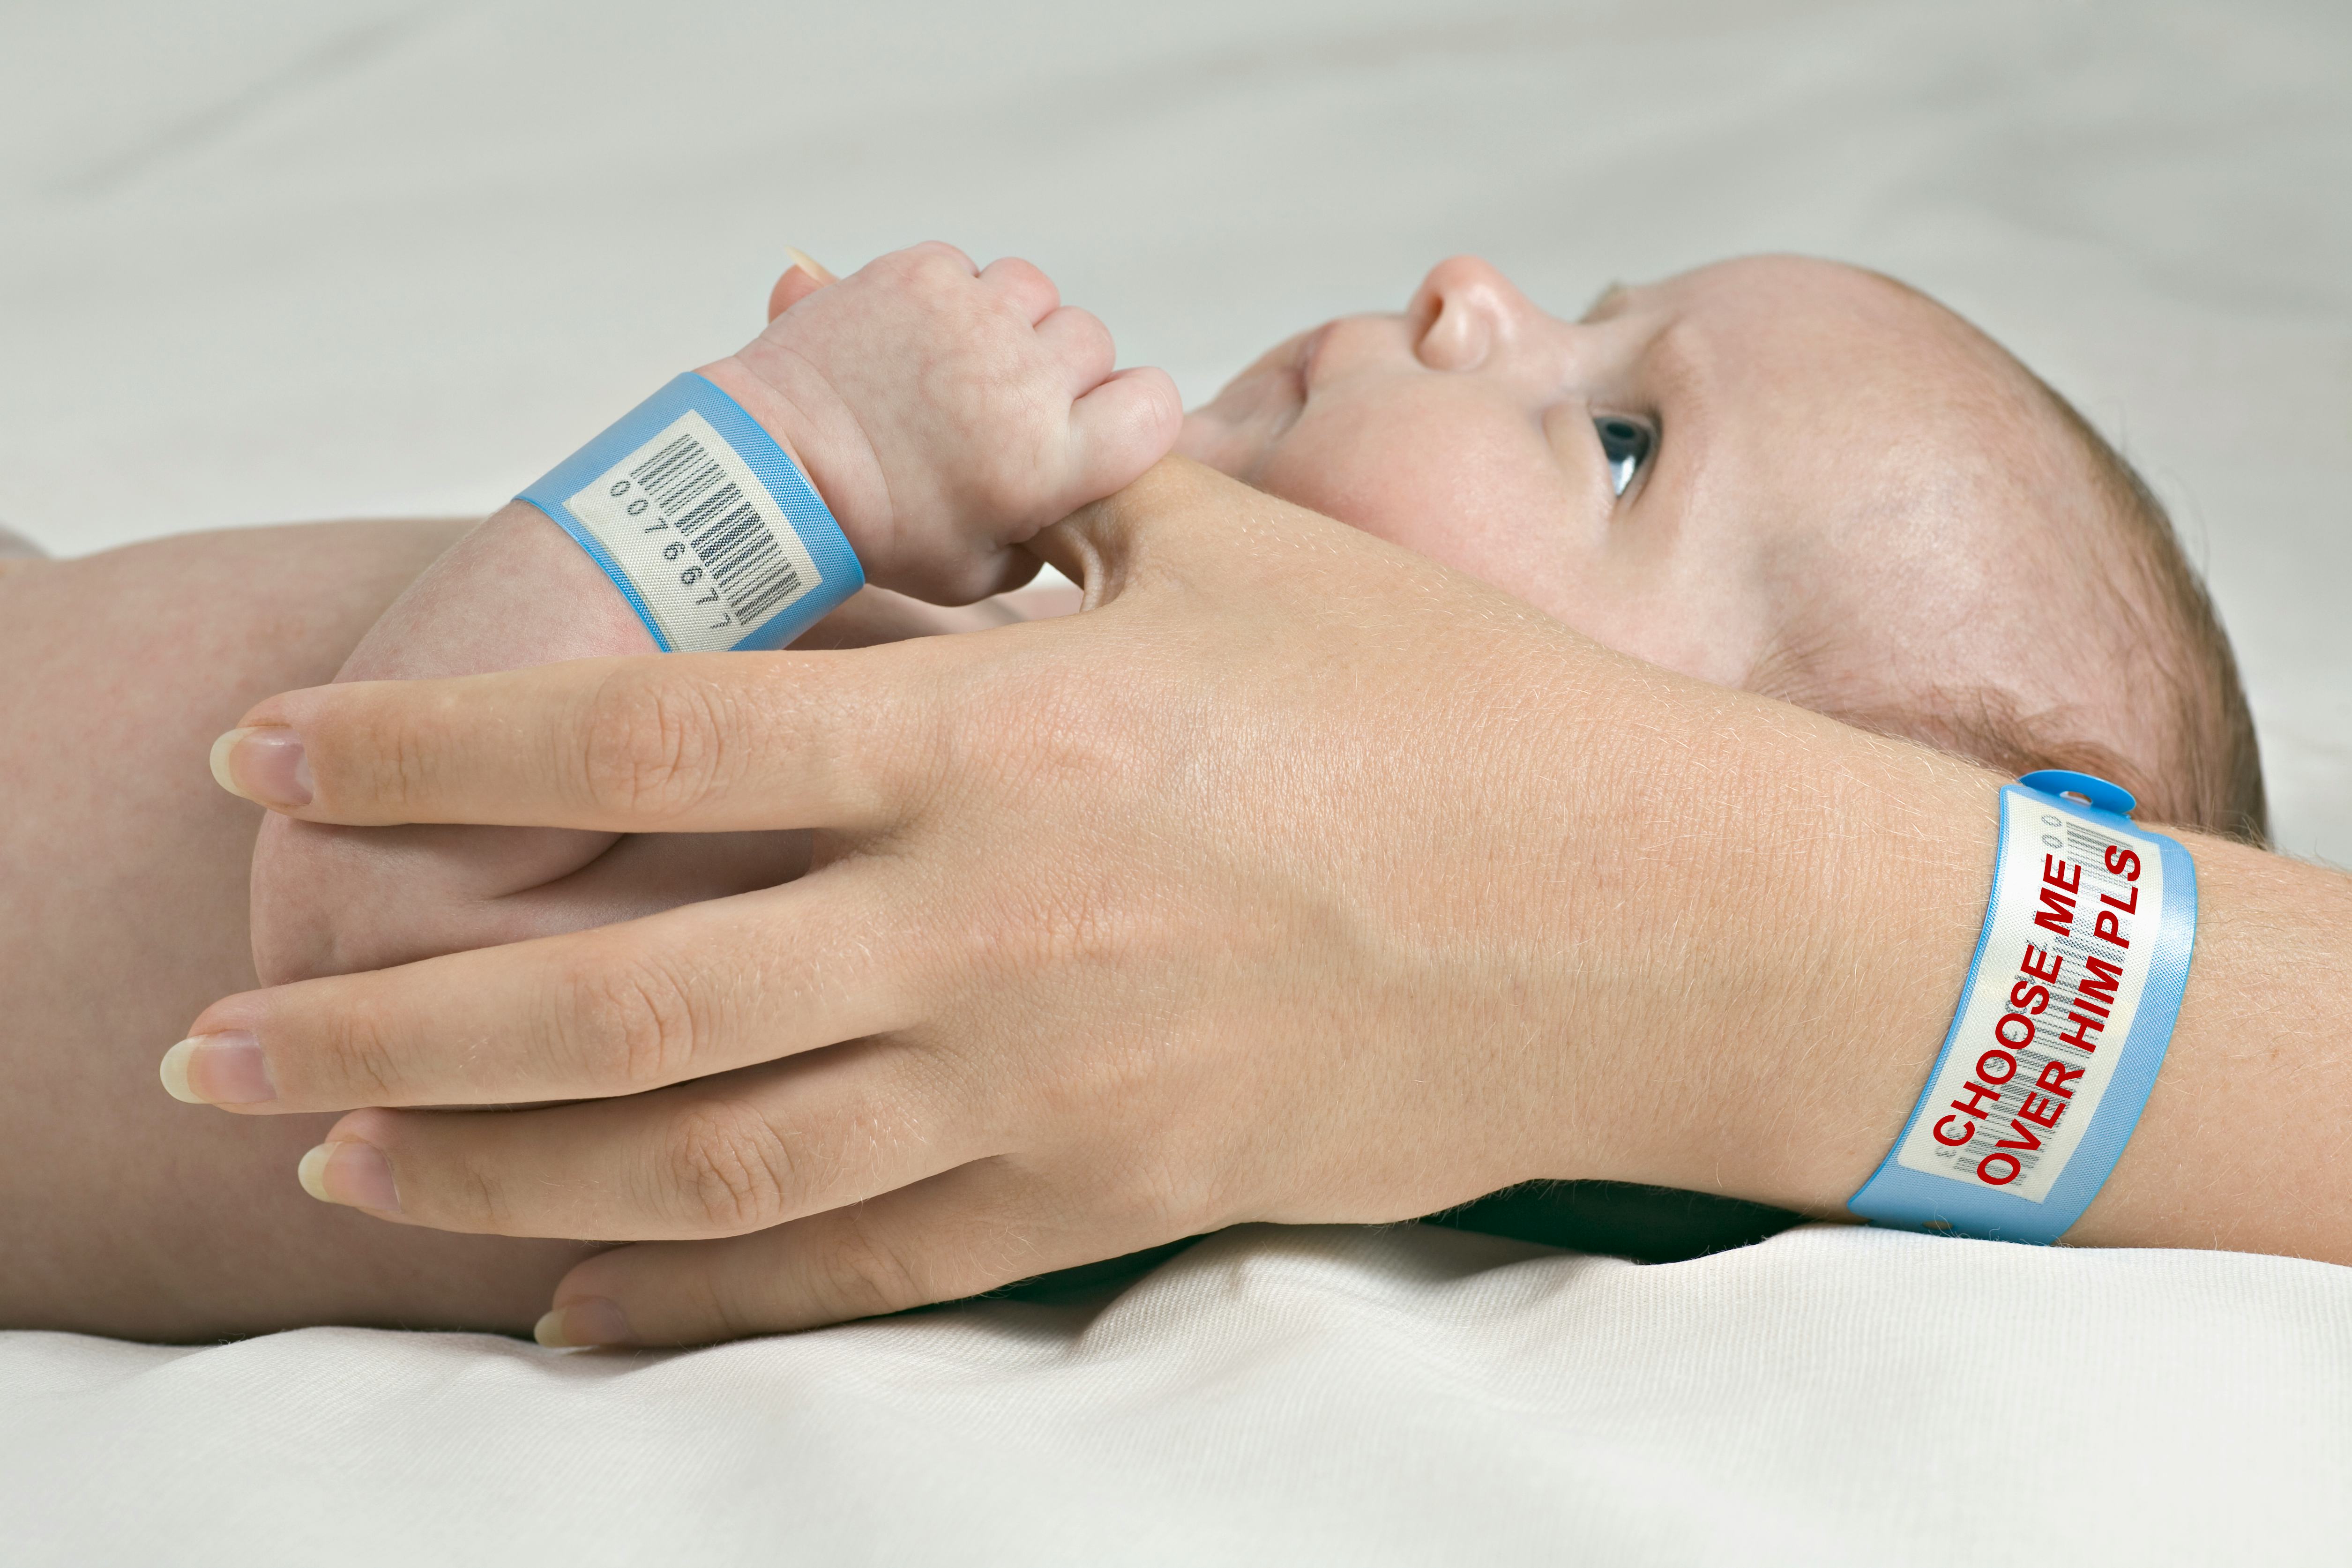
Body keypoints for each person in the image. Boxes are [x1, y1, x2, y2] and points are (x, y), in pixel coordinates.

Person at [0, 248, 2315, 1344]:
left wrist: (785, 456)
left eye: (1618, 439)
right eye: (1592, 310)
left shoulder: (1010, 978)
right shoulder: (1028, 716)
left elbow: (355, 927)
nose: (1470, 297)